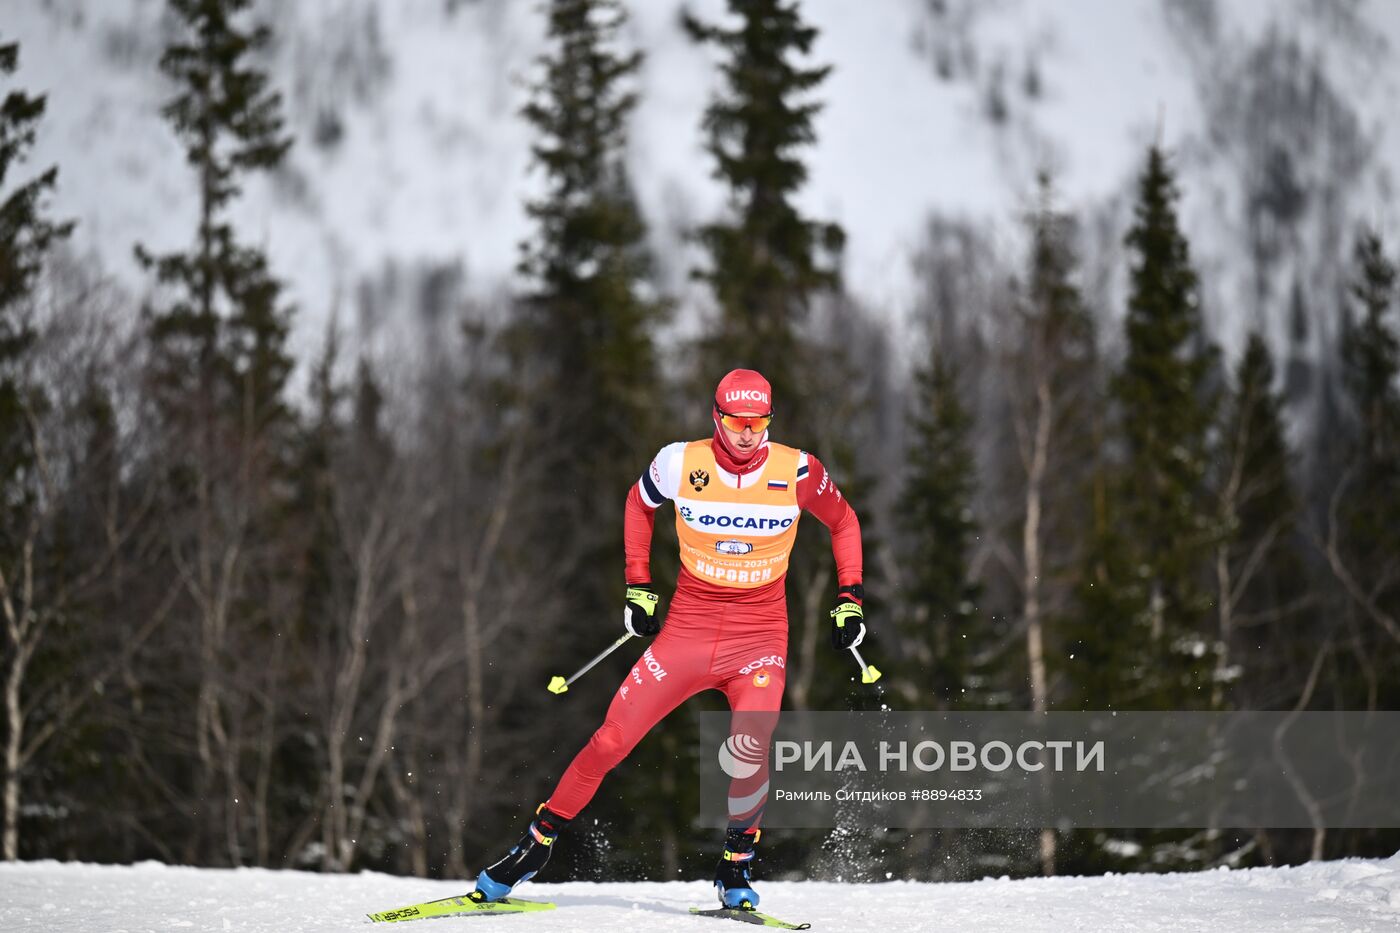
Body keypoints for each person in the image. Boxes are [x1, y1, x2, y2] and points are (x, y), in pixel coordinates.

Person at [470, 368, 865, 910]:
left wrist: (850, 598)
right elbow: (638, 505)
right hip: (690, 630)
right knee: (611, 740)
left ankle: (735, 868)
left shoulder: (797, 470)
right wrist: (638, 587)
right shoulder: (681, 462)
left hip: (759, 635)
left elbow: (844, 523)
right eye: (737, 422)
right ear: (716, 417)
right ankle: (534, 846)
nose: (748, 434)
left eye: (759, 422)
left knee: (752, 746)